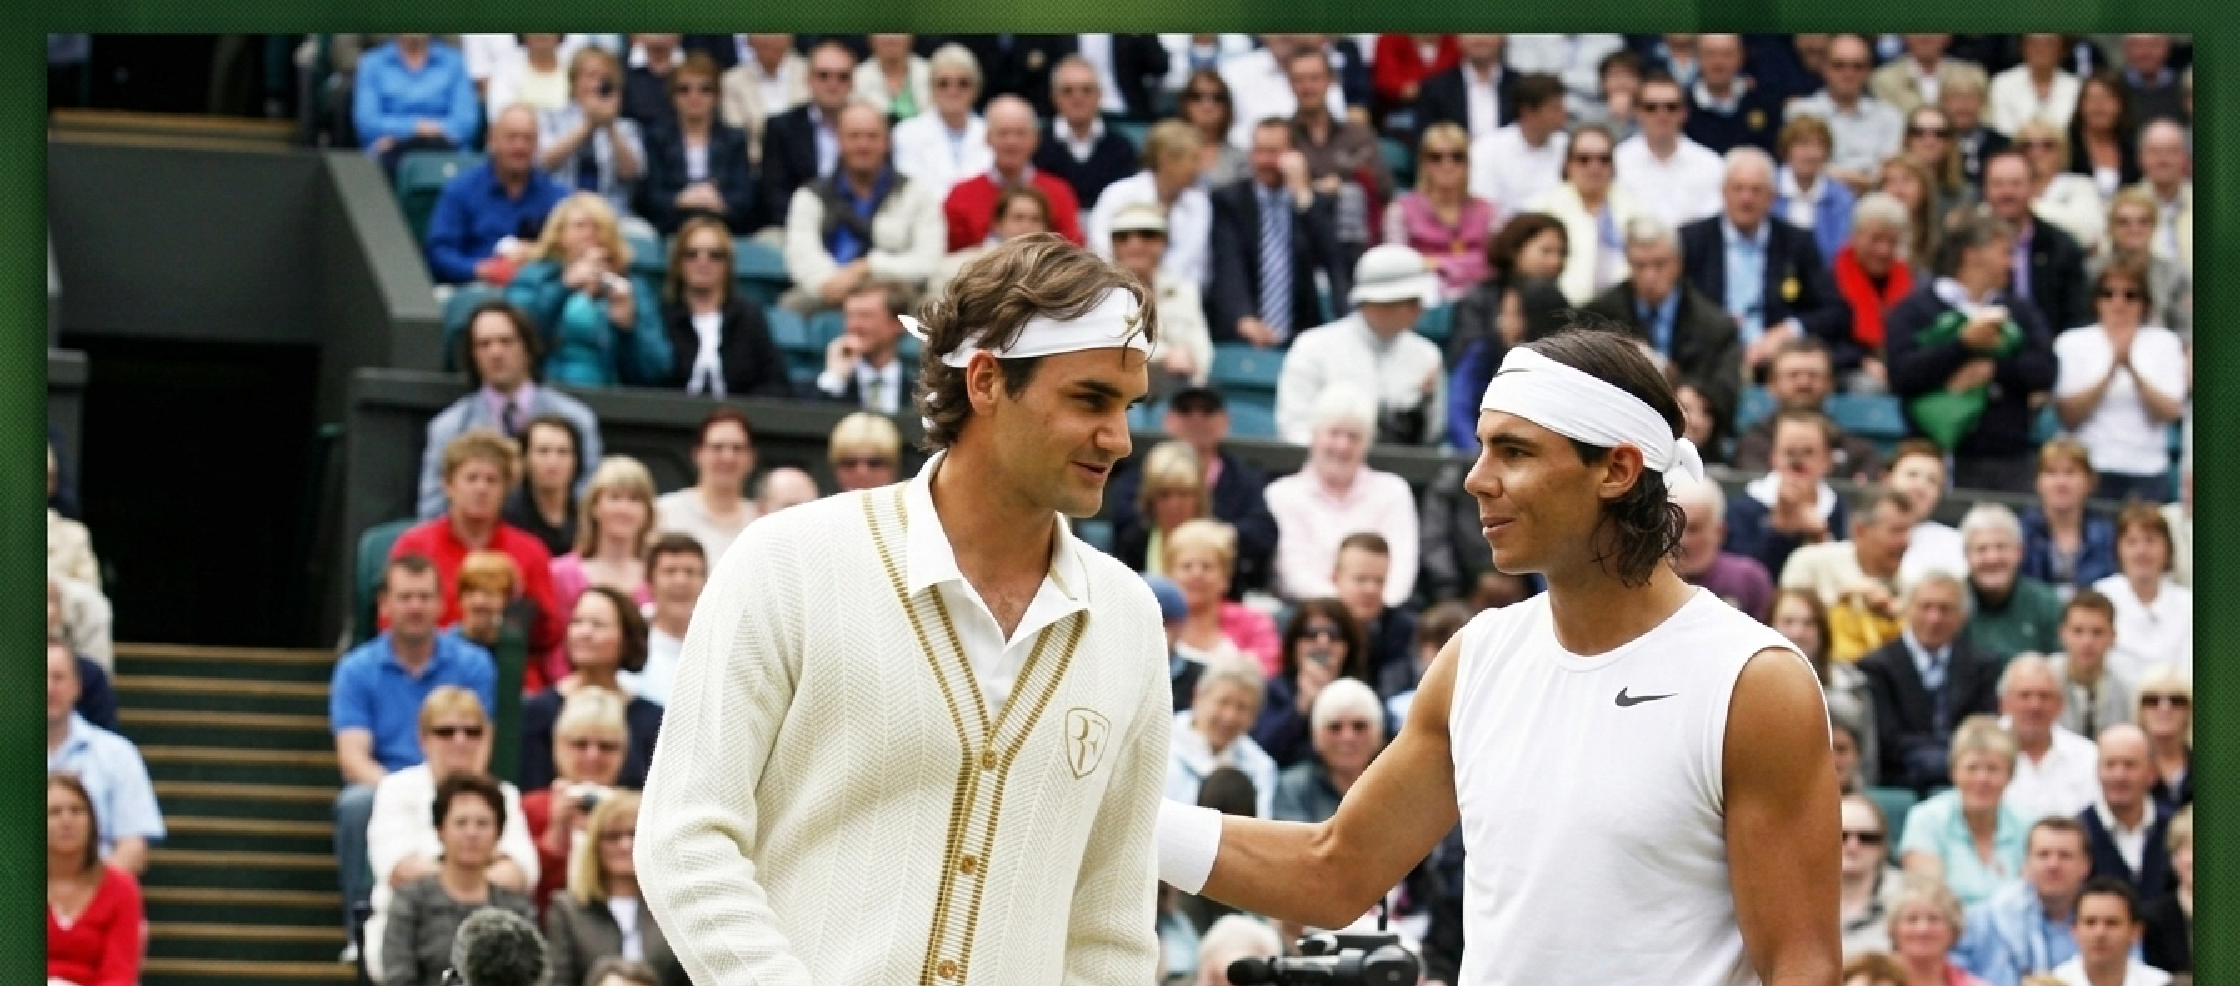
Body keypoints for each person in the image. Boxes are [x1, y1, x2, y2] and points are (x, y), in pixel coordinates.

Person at [1158, 326, 1841, 985]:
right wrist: (1116, 820)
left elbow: (1802, 967)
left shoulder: (1753, 683)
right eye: (1483, 448)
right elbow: (1334, 871)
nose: (1476, 479)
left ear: (1617, 469)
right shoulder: (1476, 659)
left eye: (1513, 451)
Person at [636, 235, 1172, 986]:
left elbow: (1111, 931)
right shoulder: (787, 563)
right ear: (986, 381)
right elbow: (685, 841)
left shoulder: (1130, 621)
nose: (1118, 438)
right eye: (1089, 398)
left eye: (1128, 406)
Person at [330, 555, 498, 947]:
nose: (416, 607)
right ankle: (363, 930)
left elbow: (480, 739)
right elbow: (352, 756)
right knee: (355, 805)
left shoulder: (474, 664)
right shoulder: (356, 668)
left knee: (487, 802)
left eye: (425, 597)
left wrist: (451, 787)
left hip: (457, 779)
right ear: (385, 605)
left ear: (442, 604)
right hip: (383, 782)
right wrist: (407, 790)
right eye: (405, 597)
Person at [362, 688, 537, 981]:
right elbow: (400, 871)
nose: (460, 740)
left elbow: (521, 874)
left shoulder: (504, 794)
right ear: (424, 738)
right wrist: (478, 864)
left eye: (472, 731)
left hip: (491, 929)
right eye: (446, 731)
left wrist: (453, 868)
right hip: (408, 925)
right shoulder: (396, 789)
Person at [1884, 212, 2058, 495]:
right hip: (1931, 459)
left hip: (2005, 458)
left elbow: (2046, 369)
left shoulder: (2019, 311)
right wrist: (1962, 345)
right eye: (2004, 253)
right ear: (1973, 254)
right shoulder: (1915, 310)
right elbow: (1902, 373)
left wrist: (1994, 370)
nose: (2011, 264)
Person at [1678, 147, 1854, 381]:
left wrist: (1788, 331)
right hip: (1707, 359)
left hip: (1779, 362)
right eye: (1738, 188)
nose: (1746, 198)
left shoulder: (1797, 242)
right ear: (1723, 193)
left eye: (1756, 190)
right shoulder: (1692, 240)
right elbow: (1677, 305)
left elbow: (1834, 311)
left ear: (1771, 197)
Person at [420, 300, 602, 520]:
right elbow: (430, 512)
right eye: (484, 344)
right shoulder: (448, 427)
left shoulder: (577, 419)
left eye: (506, 342)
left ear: (527, 347)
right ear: (473, 355)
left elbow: (590, 502)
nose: (496, 353)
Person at [1106, 386, 1280, 597]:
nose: (1197, 420)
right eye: (1165, 494)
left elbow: (1263, 532)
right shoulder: (1136, 482)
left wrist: (1217, 535)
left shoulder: (1245, 478)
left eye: (1207, 412)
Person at [780, 101, 945, 313]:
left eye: (872, 136)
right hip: (828, 294)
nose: (863, 145)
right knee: (788, 307)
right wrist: (833, 284)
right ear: (839, 140)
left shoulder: (917, 193)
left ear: (887, 142)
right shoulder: (809, 197)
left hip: (898, 295)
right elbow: (803, 259)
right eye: (854, 136)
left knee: (935, 308)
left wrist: (868, 268)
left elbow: (927, 262)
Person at [1274, 245, 1446, 447]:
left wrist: (1420, 408)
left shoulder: (1426, 355)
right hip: (1323, 470)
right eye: (1411, 302)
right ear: (1378, 302)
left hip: (1402, 474)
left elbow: (1431, 438)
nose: (1420, 309)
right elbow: (1294, 429)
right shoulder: (1312, 347)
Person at [1265, 384, 1420, 607]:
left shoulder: (1393, 491)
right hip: (1306, 612)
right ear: (1314, 436)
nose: (1342, 445)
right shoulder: (1281, 495)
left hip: (1380, 613)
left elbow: (1402, 567)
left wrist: (1375, 606)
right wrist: (1344, 609)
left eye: (1354, 437)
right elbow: (1293, 572)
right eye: (1334, 433)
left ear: (1368, 443)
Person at [380, 773, 539, 986]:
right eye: (461, 822)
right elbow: (398, 975)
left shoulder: (516, 908)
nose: (471, 833)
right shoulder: (410, 901)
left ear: (498, 832)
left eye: (482, 823)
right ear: (440, 830)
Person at [1207, 117, 1352, 347]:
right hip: (1242, 333)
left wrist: (1304, 196)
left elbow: (1333, 261)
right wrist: (1243, 317)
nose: (1264, 161)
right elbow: (1227, 265)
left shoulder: (1315, 205)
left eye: (1273, 152)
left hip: (1301, 335)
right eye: (1259, 152)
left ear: (1293, 155)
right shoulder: (1230, 201)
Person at [505, 192, 672, 387]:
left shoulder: (632, 287)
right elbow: (513, 333)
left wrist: (627, 329)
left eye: (598, 227)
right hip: (543, 391)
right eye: (580, 226)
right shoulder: (534, 276)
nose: (589, 234)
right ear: (558, 234)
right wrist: (562, 287)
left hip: (612, 399)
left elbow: (658, 368)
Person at [2053, 260, 2187, 503]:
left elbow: (2170, 412)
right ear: (2096, 300)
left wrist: (2132, 368)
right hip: (2090, 464)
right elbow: (2069, 416)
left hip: (2147, 466)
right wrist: (2112, 367)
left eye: (2130, 295)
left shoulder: (2165, 343)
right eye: (2108, 293)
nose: (2119, 302)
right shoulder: (2072, 342)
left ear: (2144, 303)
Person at [1859, 572, 2003, 795]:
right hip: (1898, 784)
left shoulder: (1983, 666)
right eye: (1925, 607)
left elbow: (1983, 728)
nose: (1934, 618)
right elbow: (1887, 740)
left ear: (1962, 616)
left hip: (1967, 784)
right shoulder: (1877, 667)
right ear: (1907, 609)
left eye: (1945, 609)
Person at [519, 588, 665, 792]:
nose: (584, 633)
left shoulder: (653, 719)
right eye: (577, 622)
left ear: (627, 638)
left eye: (598, 625)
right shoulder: (536, 712)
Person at [544, 791, 685, 986]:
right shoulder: (567, 910)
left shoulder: (676, 908)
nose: (625, 845)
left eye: (634, 834)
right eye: (612, 836)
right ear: (594, 845)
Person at [45, 646, 160, 877]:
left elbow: (134, 847)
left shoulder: (118, 754)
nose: (48, 688)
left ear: (77, 687)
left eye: (58, 678)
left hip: (97, 902)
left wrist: (82, 894)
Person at [1898, 715, 2030, 910]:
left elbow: (2031, 899)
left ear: (2010, 775)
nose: (1982, 779)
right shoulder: (1926, 819)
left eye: (1993, 769)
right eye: (1972, 768)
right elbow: (1929, 900)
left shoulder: (2029, 824)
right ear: (1954, 772)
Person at [1779, 483, 1913, 663]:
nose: (1906, 541)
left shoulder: (1912, 587)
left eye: (1909, 530)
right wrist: (1841, 598)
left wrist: (1901, 614)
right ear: (1860, 530)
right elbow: (1784, 626)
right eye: (1896, 531)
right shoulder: (1810, 563)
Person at [658, 218, 790, 398]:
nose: (702, 261)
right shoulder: (661, 318)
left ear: (728, 264)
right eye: (691, 254)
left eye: (715, 255)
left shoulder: (749, 318)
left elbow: (777, 384)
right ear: (678, 263)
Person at [1954, 817, 2091, 986]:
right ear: (2026, 863)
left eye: (2065, 856)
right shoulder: (1985, 920)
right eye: (2043, 855)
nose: (2053, 865)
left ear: (2085, 865)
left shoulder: (2105, 921)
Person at [941, 95, 1087, 250]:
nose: (1012, 142)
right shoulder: (961, 195)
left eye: (1020, 133)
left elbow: (1073, 253)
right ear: (987, 138)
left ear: (1035, 139)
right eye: (1003, 133)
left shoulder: (1059, 193)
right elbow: (950, 256)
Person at [549, 457, 659, 658]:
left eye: (634, 499)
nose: (624, 509)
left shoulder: (659, 577)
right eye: (615, 498)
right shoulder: (559, 573)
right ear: (594, 507)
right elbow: (553, 646)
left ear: (648, 512)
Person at [1533, 122, 1651, 305]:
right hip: (1561, 311)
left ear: (1613, 167)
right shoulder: (1543, 210)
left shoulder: (1636, 210)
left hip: (1623, 312)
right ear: (1568, 165)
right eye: (1584, 159)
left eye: (1603, 159)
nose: (1594, 167)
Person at [1732, 338, 1884, 479]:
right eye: (1793, 375)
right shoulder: (1751, 447)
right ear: (1771, 384)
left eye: (1813, 375)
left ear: (1830, 383)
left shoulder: (1859, 453)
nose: (1804, 383)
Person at [637, 54, 754, 236]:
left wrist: (716, 201)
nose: (694, 96)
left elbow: (744, 195)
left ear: (717, 96)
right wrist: (682, 199)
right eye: (684, 90)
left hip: (724, 225)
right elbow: (650, 194)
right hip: (671, 225)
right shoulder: (657, 138)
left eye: (705, 89)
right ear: (672, 96)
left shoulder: (734, 139)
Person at [1726, 409, 1849, 581]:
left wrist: (1821, 536)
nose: (1797, 462)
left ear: (1827, 460)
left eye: (1808, 452)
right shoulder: (1744, 506)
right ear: (1773, 457)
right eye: (1789, 452)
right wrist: (1777, 529)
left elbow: (1840, 575)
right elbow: (1740, 575)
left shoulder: (1835, 506)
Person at [1105, 203, 1214, 394]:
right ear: (1113, 245)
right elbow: (1109, 350)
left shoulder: (1182, 290)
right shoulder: (1100, 293)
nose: (1135, 244)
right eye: (1123, 237)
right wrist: (1163, 356)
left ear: (1164, 241)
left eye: (1147, 234)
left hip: (1177, 395)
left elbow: (1201, 353)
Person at [46, 773, 143, 986]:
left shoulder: (122, 888)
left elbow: (119, 976)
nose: (66, 820)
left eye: (76, 810)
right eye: (54, 812)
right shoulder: (13, 889)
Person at [1088, 122, 1210, 289]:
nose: (1199, 168)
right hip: (1116, 287)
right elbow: (1099, 248)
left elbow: (1194, 261)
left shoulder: (1199, 203)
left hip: (1176, 294)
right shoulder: (1117, 194)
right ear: (1166, 159)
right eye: (1193, 159)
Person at [1251, 598, 1371, 768]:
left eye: (1334, 634)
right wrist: (1301, 707)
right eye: (1311, 633)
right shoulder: (1272, 691)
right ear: (1294, 644)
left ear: (1347, 647)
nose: (1323, 642)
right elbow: (1259, 754)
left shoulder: (1362, 693)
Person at [536, 48, 649, 227]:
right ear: (573, 82)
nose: (596, 84)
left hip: (614, 217)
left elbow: (632, 173)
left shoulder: (626, 128)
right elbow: (543, 163)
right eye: (590, 76)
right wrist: (588, 125)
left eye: (604, 79)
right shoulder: (550, 119)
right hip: (560, 215)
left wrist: (610, 127)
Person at [1774, 588, 1875, 787]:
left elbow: (1869, 759)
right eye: (1788, 622)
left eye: (1808, 623)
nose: (1798, 632)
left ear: (1822, 632)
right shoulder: (1746, 684)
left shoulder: (1853, 684)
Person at [1382, 123, 1497, 298]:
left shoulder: (1488, 211)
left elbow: (1495, 264)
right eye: (1436, 157)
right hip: (1422, 298)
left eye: (1457, 157)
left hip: (1479, 298)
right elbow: (1400, 266)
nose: (1447, 164)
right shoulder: (1400, 211)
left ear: (1467, 164)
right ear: (1423, 163)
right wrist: (1468, 264)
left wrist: (1438, 263)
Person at [755, 41, 857, 232]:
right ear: (808, 79)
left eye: (842, 77)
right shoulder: (781, 128)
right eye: (823, 76)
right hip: (796, 225)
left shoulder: (868, 127)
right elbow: (774, 195)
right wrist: (811, 223)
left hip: (858, 225)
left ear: (852, 83)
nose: (832, 84)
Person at [1163, 518, 1281, 677]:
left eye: (1207, 566)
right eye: (1187, 566)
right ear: (1169, 576)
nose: (1197, 574)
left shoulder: (1254, 623)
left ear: (1225, 578)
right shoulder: (1157, 625)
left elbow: (1266, 672)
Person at [1788, 35, 1906, 193]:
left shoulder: (1890, 117)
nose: (1848, 73)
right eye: (1839, 65)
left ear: (1869, 71)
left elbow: (1888, 175)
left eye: (1857, 66)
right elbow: (1799, 167)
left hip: (1874, 202)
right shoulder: (1800, 112)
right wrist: (1861, 179)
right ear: (1825, 68)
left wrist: (1828, 173)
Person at [1169, 654, 1281, 818]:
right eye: (1223, 702)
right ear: (1198, 697)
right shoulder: (1162, 745)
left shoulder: (1260, 767)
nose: (1229, 716)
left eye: (1242, 707)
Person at [2090, 505, 2189, 683]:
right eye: (2131, 542)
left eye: (2150, 541)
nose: (2141, 551)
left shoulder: (2189, 604)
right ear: (2118, 550)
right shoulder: (2100, 597)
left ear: (2167, 549)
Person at [355, 35, 480, 174]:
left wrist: (426, 131)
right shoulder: (372, 63)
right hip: (388, 150)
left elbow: (465, 122)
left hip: (446, 148)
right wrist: (414, 127)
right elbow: (368, 122)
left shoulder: (454, 62)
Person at [1613, 75, 1723, 230]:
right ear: (1637, 112)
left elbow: (1713, 222)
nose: (1662, 114)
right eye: (1651, 107)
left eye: (1671, 107)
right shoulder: (1617, 161)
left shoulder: (1710, 164)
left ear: (1684, 113)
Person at [2000, 656, 2102, 823]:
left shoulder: (2088, 756)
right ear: (2004, 703)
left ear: (2060, 704)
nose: (2035, 706)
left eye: (2045, 696)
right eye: (2024, 696)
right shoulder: (1982, 753)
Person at [654, 407, 759, 567]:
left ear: (751, 458)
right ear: (697, 454)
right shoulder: (663, 513)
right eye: (717, 447)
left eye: (737, 449)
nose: (728, 457)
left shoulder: (761, 520)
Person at [2081, 724, 2172, 905]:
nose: (2119, 775)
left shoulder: (2175, 829)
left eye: (2130, 765)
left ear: (2151, 772)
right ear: (2097, 772)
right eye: (2110, 765)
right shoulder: (2078, 831)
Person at [1962, 503, 2065, 662]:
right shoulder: (1950, 604)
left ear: (2020, 552)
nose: (1992, 558)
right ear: (1966, 555)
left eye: (2001, 547)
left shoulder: (2046, 603)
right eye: (1982, 549)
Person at [1035, 56, 1140, 209]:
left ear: (1099, 95)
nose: (1077, 97)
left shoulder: (1121, 148)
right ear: (1054, 97)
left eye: (1086, 90)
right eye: (1067, 91)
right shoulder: (1036, 144)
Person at [2020, 440, 2120, 599]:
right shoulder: (2020, 533)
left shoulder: (2108, 536)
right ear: (2038, 482)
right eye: (2051, 472)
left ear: (2089, 482)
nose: (2061, 482)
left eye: (2070, 472)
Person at [1466, 72, 1571, 220]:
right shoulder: (1487, 150)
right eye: (1554, 109)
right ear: (1528, 112)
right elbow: (1483, 208)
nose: (1564, 114)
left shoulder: (1568, 147)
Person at [891, 44, 991, 197]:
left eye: (963, 83)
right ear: (931, 89)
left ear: (976, 89)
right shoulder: (906, 133)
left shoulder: (990, 132)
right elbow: (909, 191)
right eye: (943, 84)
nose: (953, 91)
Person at [2088, 189, 2191, 337]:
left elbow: (2186, 328)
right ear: (2110, 228)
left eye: (2143, 222)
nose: (2134, 229)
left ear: (2154, 226)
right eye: (2124, 222)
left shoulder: (2175, 274)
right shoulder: (2091, 272)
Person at [1672, 477, 1773, 621]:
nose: (1682, 541)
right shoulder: (1648, 582)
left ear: (1719, 532)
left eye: (1693, 529)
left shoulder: (1748, 579)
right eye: (1674, 529)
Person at [1330, 533, 1417, 688]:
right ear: (1336, 578)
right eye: (1360, 579)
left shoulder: (1402, 630)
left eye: (1379, 581)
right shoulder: (1315, 631)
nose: (1371, 590)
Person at [628, 533, 706, 707]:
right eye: (670, 571)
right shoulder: (629, 635)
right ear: (649, 581)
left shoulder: (722, 640)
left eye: (690, 572)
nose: (681, 581)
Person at [811, 284, 915, 414]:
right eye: (849, 316)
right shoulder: (832, 384)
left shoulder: (918, 390)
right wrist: (835, 377)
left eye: (865, 316)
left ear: (898, 324)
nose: (854, 325)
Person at [2050, 880, 2172, 986]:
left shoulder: (2161, 983)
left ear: (2136, 932)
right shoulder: (2054, 983)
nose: (2100, 933)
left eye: (2112, 923)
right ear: (2074, 930)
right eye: (2090, 922)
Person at [1776, 116, 1857, 271]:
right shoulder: (1767, 189)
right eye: (1803, 144)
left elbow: (1842, 252)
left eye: (1819, 146)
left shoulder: (1841, 198)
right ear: (1787, 150)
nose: (1811, 154)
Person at [2048, 591, 2132, 740]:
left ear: (2113, 637)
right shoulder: (2042, 681)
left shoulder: (2126, 692)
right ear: (2063, 634)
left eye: (2097, 632)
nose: (2087, 642)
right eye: (2078, 631)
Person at [2015, 121, 2109, 253]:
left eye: (2047, 145)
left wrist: (2028, 209)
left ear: (2062, 150)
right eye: (2027, 145)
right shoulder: (2009, 187)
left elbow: (2088, 232)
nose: (2037, 152)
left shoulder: (2081, 185)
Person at [1882, 441, 1966, 587]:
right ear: (1886, 479)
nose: (1920, 486)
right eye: (1912, 475)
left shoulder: (1955, 544)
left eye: (1932, 481)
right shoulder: (1861, 530)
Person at [502, 415, 584, 557]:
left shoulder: (587, 518)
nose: (553, 462)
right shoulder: (505, 517)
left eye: (563, 452)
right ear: (524, 458)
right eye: (543, 451)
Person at [1889, 876, 1995, 986]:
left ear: (1954, 930)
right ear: (1893, 928)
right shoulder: (1871, 979)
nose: (1922, 929)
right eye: (1912, 919)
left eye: (1933, 919)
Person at [1838, 793, 1898, 959]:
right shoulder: (1793, 899)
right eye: (1841, 836)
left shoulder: (1909, 897)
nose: (1852, 846)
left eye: (1867, 838)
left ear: (1883, 846)